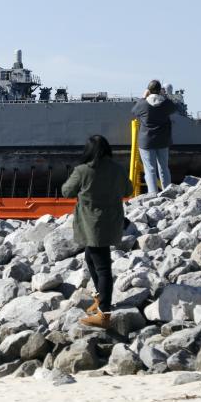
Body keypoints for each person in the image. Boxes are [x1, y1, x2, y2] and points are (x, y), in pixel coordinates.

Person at [61, 135, 133, 329]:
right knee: (91, 259)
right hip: (112, 221)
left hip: (93, 225)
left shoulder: (82, 171)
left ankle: (104, 314)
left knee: (102, 268)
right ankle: (101, 300)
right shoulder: (117, 169)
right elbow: (128, 190)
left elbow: (66, 192)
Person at [132, 79, 177, 193]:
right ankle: (167, 192)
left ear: (149, 90)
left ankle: (153, 194)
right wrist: (164, 96)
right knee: (164, 168)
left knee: (150, 169)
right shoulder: (166, 104)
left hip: (146, 141)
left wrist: (143, 97)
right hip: (163, 141)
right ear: (160, 90)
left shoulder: (143, 104)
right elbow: (174, 107)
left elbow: (134, 111)